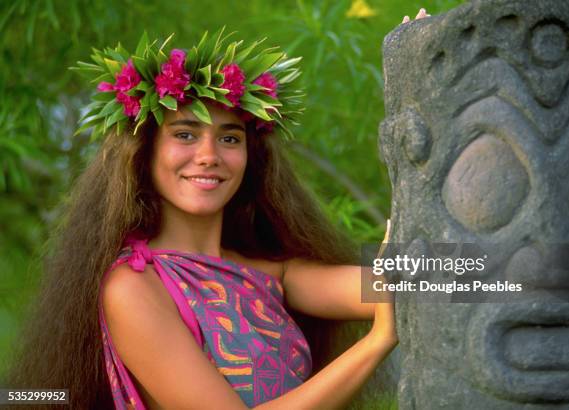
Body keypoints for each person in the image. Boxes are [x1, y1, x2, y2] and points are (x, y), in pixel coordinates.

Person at [8, 10, 428, 410]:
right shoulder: (134, 288)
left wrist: (425, 72)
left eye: (230, 138)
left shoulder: (270, 275)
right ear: (146, 153)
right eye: (186, 134)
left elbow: (429, 283)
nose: (209, 156)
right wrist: (376, 343)